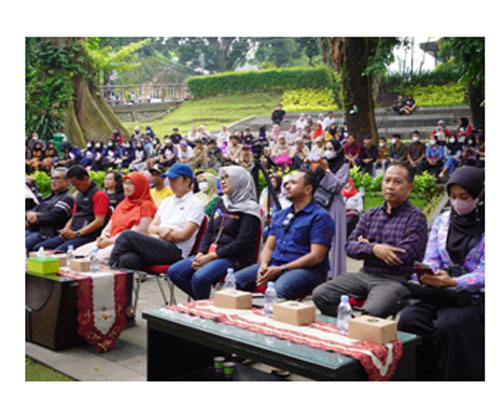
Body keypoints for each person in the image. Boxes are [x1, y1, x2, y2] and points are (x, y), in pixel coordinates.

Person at [398, 166, 484, 380]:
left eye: (464, 197)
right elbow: (432, 256)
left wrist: (454, 282)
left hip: (473, 295)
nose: (457, 202)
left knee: (449, 326)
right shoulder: (443, 221)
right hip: (440, 290)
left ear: (480, 196)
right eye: (452, 196)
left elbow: (486, 272)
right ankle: (419, 378)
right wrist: (429, 273)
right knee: (409, 319)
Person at [313, 162, 428, 318]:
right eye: (387, 180)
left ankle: (361, 329)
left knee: (372, 312)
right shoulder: (370, 214)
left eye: (397, 182)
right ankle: (350, 325)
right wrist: (374, 249)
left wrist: (367, 246)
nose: (390, 186)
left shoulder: (415, 218)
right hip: (364, 275)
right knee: (321, 294)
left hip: (395, 280)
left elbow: (403, 255)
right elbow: (350, 247)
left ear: (410, 187)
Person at [234, 170, 335, 299]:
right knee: (233, 281)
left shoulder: (320, 217)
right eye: (287, 183)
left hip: (306, 270)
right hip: (275, 265)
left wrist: (282, 269)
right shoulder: (281, 215)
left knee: (277, 292)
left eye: (293, 183)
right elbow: (268, 247)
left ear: (308, 189)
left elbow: (316, 257)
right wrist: (264, 264)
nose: (287, 186)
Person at [168, 166, 262, 300]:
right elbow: (209, 231)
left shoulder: (250, 209)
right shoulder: (221, 202)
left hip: (234, 257)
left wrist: (211, 256)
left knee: (200, 278)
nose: (222, 181)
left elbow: (243, 242)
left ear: (239, 180)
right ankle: (207, 303)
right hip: (211, 253)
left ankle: (204, 307)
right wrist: (201, 253)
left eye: (227, 177)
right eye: (221, 178)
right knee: (174, 272)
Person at [109, 162, 205, 275]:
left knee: (127, 235)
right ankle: (118, 285)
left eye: (175, 180)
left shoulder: (195, 204)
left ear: (187, 181)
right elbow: (151, 228)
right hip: (157, 244)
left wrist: (164, 233)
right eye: (170, 180)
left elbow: (184, 235)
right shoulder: (167, 202)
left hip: (175, 250)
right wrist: (162, 230)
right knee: (127, 260)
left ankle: (109, 274)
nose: (171, 183)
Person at [73, 172, 157, 266]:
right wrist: (104, 237)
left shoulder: (147, 207)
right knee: (77, 253)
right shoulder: (122, 204)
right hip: (110, 240)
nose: (126, 187)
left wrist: (110, 241)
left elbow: (134, 233)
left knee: (97, 258)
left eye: (131, 184)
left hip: (127, 244)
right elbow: (110, 224)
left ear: (140, 186)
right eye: (125, 183)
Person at [32, 165, 110, 252]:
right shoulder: (78, 194)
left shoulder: (99, 195)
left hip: (87, 235)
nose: (76, 188)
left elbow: (99, 221)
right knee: (39, 248)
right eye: (73, 185)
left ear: (85, 179)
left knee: (58, 251)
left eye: (78, 184)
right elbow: (73, 216)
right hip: (73, 232)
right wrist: (65, 230)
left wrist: (77, 233)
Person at [316, 140, 350, 278]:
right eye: (326, 148)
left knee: (335, 239)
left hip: (334, 204)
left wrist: (327, 170)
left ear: (337, 150)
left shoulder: (343, 166)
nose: (328, 151)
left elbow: (336, 186)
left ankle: (335, 273)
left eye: (331, 148)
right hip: (318, 203)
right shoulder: (320, 164)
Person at [25, 167, 75, 252]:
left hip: (49, 234)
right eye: (52, 178)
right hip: (36, 229)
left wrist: (36, 217)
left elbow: (53, 216)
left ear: (67, 181)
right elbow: (35, 210)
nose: (53, 181)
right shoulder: (50, 196)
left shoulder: (67, 198)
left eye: (57, 178)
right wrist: (29, 215)